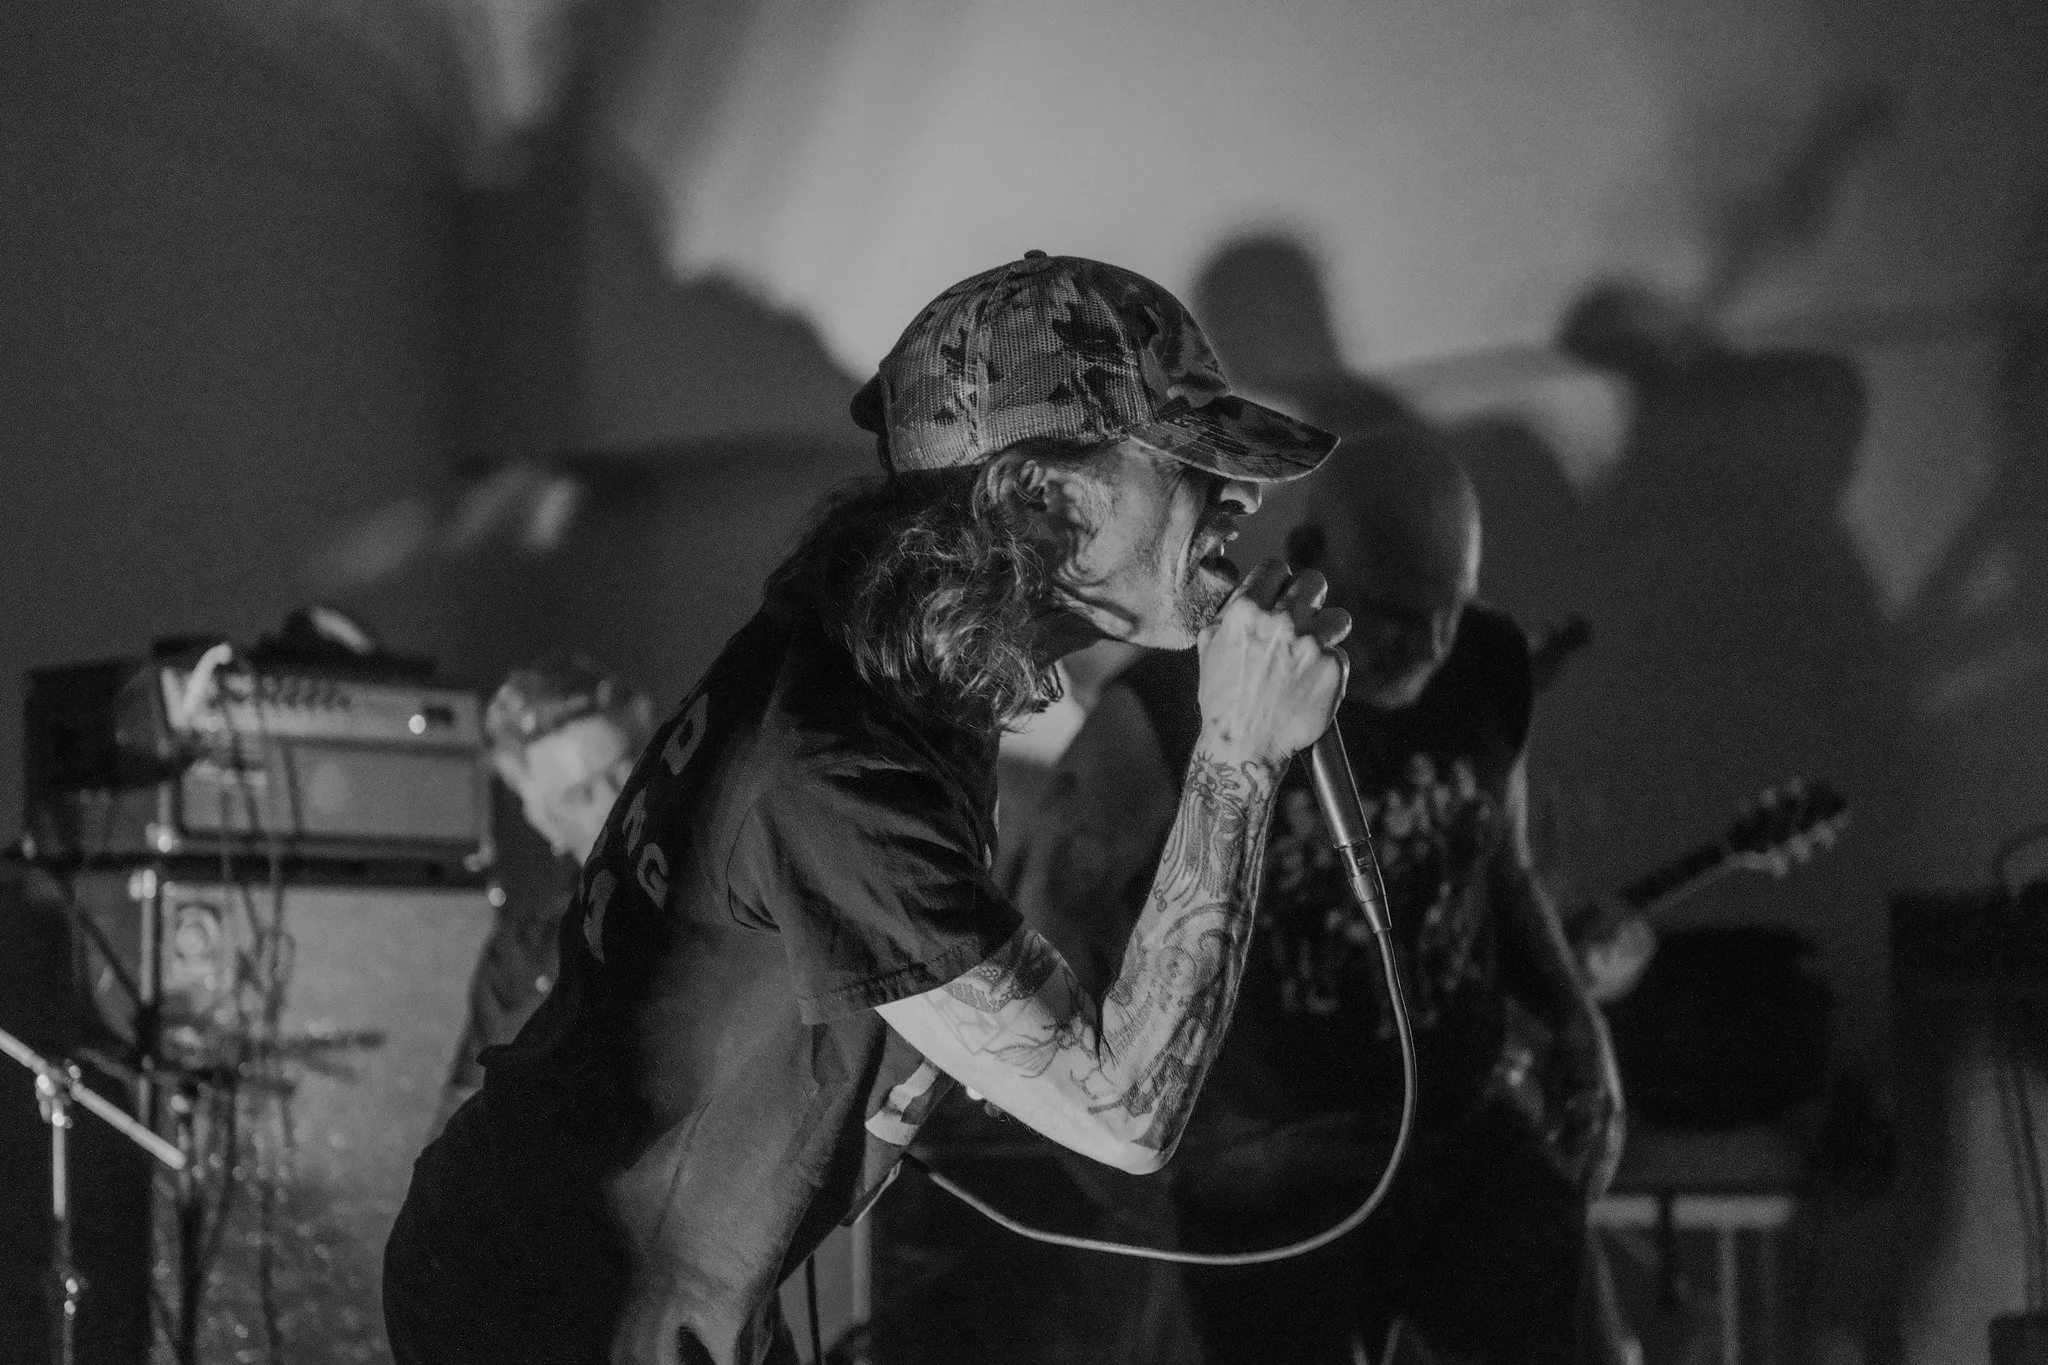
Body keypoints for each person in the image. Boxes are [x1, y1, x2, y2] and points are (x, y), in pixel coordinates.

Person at [382, 250, 1352, 1365]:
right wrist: (1234, 749)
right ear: (1040, 496)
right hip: (550, 1317)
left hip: (658, 1288)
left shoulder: (901, 664)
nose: (1237, 494)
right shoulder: (838, 757)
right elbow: (1123, 1115)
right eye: (1186, 457)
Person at [1007, 426, 1628, 1363]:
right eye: (1391, 614)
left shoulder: (1487, 663)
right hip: (1269, 1168)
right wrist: (1108, 1164)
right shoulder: (1177, 703)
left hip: (1458, 1131)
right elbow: (1048, 909)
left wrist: (1582, 1030)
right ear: (1309, 559)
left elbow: (1498, 860)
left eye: (1447, 610)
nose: (1427, 645)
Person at [432, 655, 653, 1131]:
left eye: (624, 771)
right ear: (545, 822)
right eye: (580, 795)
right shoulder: (519, 956)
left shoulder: (739, 887)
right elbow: (459, 1140)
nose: (617, 804)